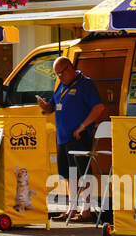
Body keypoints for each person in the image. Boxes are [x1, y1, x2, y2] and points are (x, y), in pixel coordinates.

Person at [38, 56, 107, 221]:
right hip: (63, 137)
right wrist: (45, 106)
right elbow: (52, 107)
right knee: (69, 174)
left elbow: (99, 107)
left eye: (61, 73)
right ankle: (72, 209)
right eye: (56, 75)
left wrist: (83, 126)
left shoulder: (85, 84)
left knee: (83, 173)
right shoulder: (62, 85)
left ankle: (87, 210)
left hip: (78, 136)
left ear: (69, 68)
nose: (59, 77)